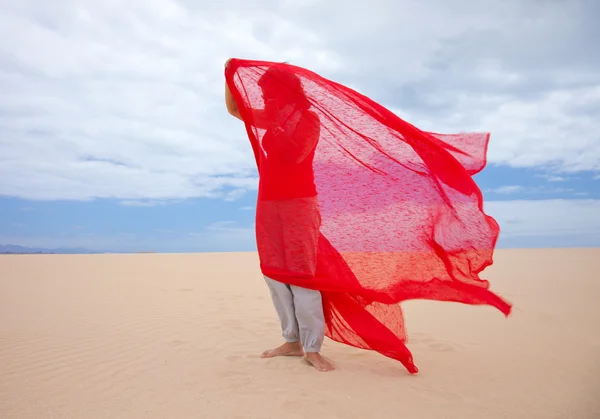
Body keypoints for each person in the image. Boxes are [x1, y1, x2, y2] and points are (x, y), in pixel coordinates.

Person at [224, 58, 334, 372]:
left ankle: (312, 348)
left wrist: (276, 122)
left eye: (270, 92)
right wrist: (227, 76)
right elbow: (236, 111)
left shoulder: (308, 119)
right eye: (264, 93)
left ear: (286, 91)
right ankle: (291, 340)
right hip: (269, 202)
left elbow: (294, 154)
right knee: (273, 272)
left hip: (299, 202)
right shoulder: (272, 116)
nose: (266, 99)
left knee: (301, 275)